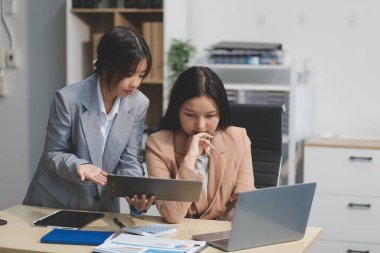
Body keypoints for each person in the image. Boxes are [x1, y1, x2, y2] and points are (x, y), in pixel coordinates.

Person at [23, 26, 155, 213]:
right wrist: (80, 166)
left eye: (141, 75)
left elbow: (130, 159)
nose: (135, 83)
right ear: (107, 66)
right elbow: (52, 154)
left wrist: (134, 192)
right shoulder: (68, 99)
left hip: (103, 209)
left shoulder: (138, 104)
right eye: (128, 74)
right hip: (56, 204)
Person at [145, 66, 255, 224]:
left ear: (221, 112)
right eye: (190, 115)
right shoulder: (158, 145)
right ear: (177, 110)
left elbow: (245, 203)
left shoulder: (238, 138)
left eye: (210, 115)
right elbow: (173, 215)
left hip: (225, 233)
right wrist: (190, 158)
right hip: (181, 235)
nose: (200, 125)